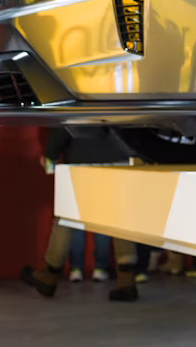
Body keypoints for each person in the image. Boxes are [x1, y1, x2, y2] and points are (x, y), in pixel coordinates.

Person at [21, 127, 142, 302]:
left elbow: (68, 119)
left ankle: (48, 276)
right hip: (121, 154)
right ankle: (127, 280)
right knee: (121, 220)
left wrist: (51, 154)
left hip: (82, 158)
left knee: (67, 219)